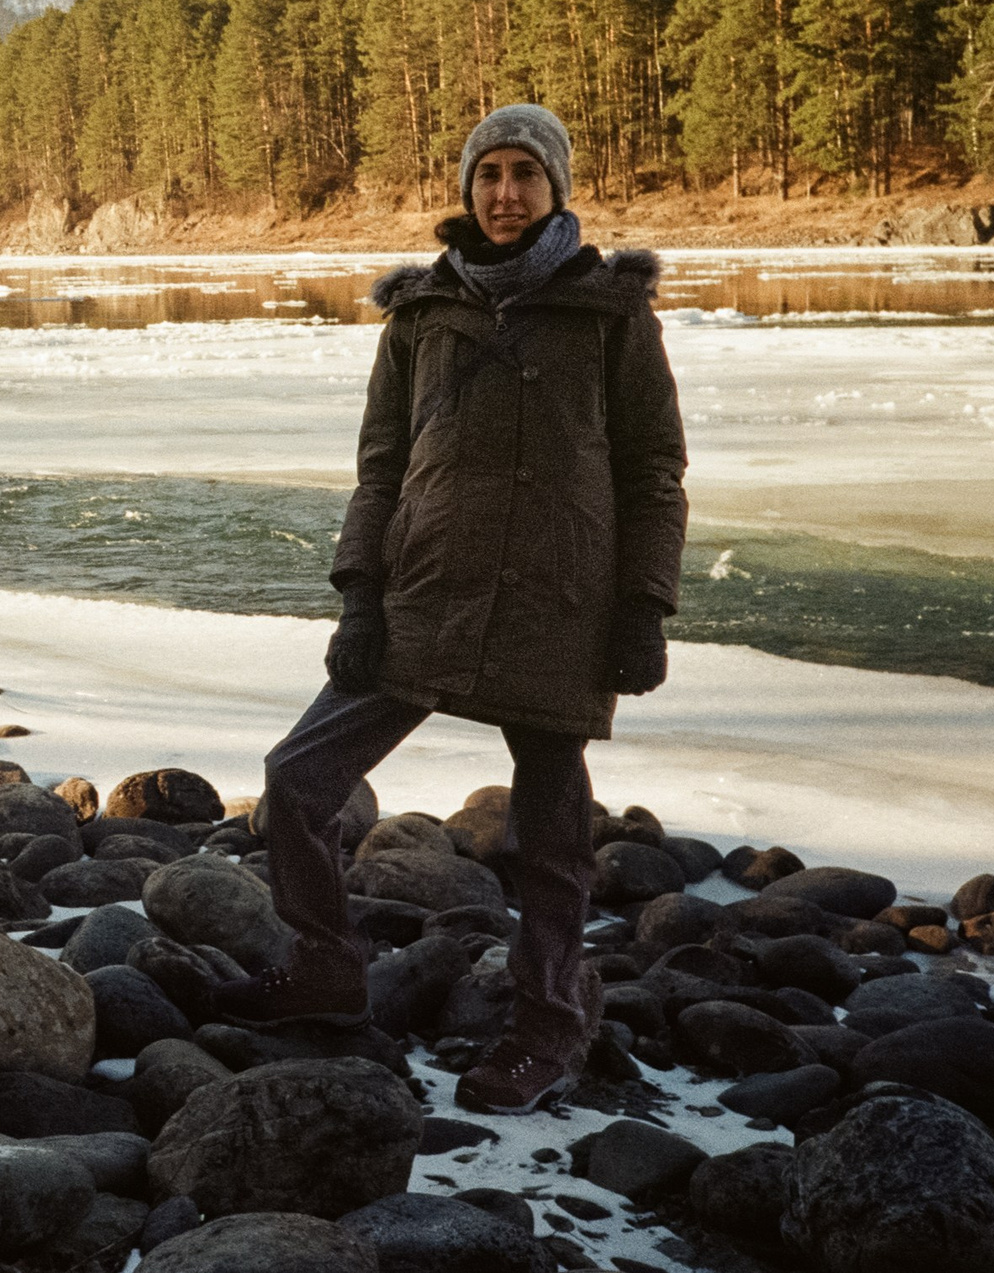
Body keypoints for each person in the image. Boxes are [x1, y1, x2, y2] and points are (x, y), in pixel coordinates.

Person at [220, 103, 689, 1115]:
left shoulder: (610, 309)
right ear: (467, 186)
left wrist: (643, 604)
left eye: (525, 173)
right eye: (489, 173)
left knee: (549, 836)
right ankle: (325, 968)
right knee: (297, 779)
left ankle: (546, 1023)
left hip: (558, 598)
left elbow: (654, 469)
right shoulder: (423, 311)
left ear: (555, 187)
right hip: (427, 590)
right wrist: (358, 593)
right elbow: (381, 464)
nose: (505, 193)